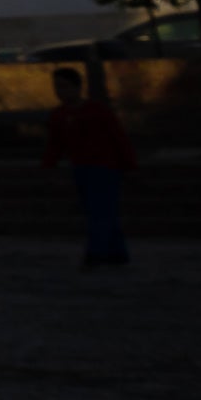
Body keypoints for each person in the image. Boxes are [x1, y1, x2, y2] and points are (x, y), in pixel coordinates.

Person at [42, 64, 135, 266]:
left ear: (78, 87)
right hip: (82, 169)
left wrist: (128, 165)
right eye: (57, 87)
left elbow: (118, 138)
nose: (61, 92)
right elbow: (55, 145)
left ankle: (97, 253)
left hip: (106, 168)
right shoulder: (59, 115)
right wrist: (49, 166)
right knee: (101, 211)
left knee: (100, 212)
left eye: (65, 86)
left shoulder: (97, 111)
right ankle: (117, 254)